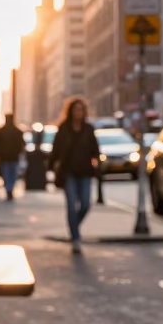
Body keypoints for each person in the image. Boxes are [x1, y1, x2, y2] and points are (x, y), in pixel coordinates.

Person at [49, 97, 100, 253]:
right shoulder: (64, 129)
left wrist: (96, 162)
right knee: (71, 206)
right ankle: (76, 238)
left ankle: (74, 227)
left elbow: (95, 150)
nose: (78, 113)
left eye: (81, 110)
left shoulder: (88, 129)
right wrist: (52, 166)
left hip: (85, 172)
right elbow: (56, 150)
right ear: (70, 112)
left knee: (85, 204)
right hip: (68, 173)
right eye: (75, 110)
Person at [0, 114, 26, 201]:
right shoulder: (16, 131)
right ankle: (9, 189)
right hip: (13, 156)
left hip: (6, 157)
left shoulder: (1, 131)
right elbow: (22, 144)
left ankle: (8, 189)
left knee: (6, 174)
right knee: (12, 174)